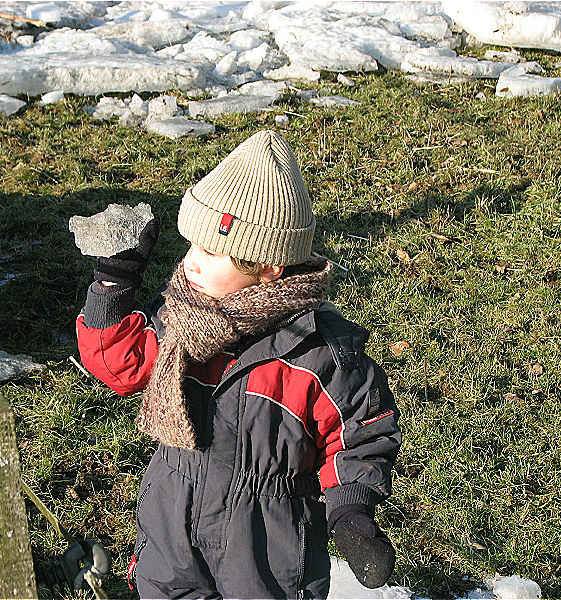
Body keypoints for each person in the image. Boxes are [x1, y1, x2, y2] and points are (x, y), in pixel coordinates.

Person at [76, 130, 402, 599]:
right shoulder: (181, 320)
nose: (189, 264)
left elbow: (360, 431)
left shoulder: (316, 353)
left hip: (268, 542)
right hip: (173, 522)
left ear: (268, 266)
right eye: (191, 245)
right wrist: (114, 282)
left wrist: (352, 511)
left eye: (210, 251)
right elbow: (117, 364)